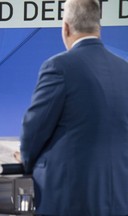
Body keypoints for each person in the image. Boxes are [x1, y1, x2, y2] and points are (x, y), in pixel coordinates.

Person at [20, 0, 128, 215]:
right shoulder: (124, 68)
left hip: (70, 197)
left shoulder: (59, 67)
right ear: (99, 28)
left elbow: (35, 129)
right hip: (117, 197)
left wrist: (24, 160)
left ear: (66, 27)